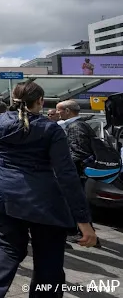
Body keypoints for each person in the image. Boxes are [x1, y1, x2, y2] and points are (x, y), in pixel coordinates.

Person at [0, 81, 97, 298]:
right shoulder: (50, 129)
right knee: (48, 256)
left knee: (8, 247)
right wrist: (83, 220)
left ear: (13, 99)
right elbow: (66, 174)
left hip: (5, 195)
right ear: (40, 101)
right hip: (45, 201)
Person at [56, 99, 100, 246]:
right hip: (79, 171)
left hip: (77, 172)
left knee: (78, 201)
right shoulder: (79, 125)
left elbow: (79, 152)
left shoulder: (76, 126)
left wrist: (63, 166)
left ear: (67, 111)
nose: (57, 113)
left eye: (59, 110)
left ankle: (83, 233)